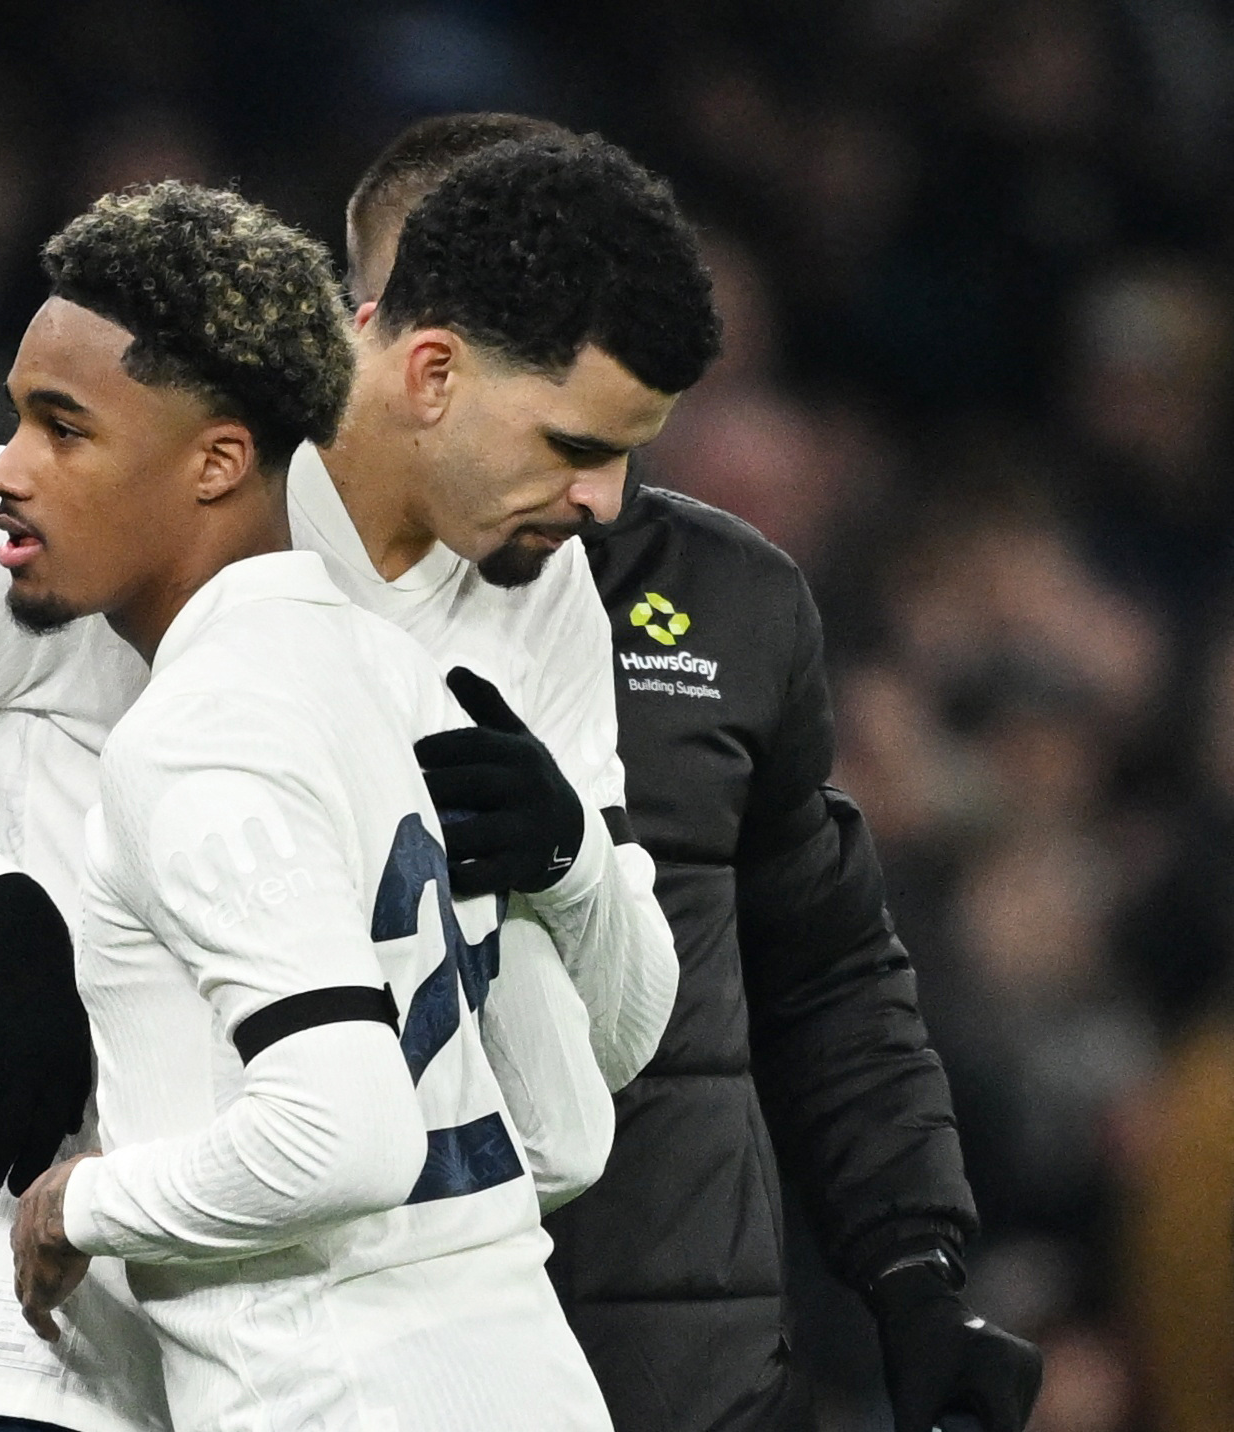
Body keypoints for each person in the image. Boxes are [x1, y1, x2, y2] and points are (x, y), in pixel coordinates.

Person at [0, 135, 714, 1430]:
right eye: (574, 441)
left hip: (309, 1377)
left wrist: (569, 868)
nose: (607, 502)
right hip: (5, 1352)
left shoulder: (538, 592)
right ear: (432, 369)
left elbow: (604, 1062)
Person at [344, 113, 1044, 1432]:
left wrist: (912, 1273)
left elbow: (824, 969)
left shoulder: (729, 606)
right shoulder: (212, 586)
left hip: (688, 1390)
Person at [0, 187, 612, 1430]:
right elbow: (572, 1130)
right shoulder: (405, 679)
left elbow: (344, 1133)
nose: (6, 469)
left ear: (217, 461)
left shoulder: (202, 733)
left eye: (63, 428)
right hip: (532, 1379)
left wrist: (78, 1204)